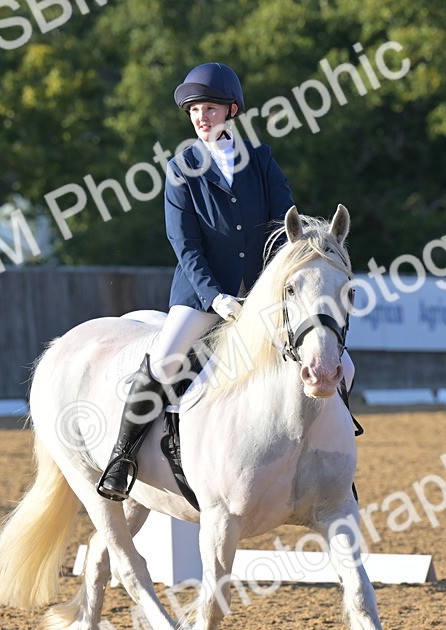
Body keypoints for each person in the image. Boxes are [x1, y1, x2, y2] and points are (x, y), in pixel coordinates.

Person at [97, 62, 349, 501]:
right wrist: (215, 297)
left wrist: (269, 290)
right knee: (163, 361)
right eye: (195, 110)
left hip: (263, 295)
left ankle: (336, 469)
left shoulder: (262, 160)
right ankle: (123, 458)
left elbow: (284, 227)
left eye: (209, 108)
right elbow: (185, 243)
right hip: (200, 295)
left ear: (231, 110)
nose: (200, 117)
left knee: (338, 364)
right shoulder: (181, 168)